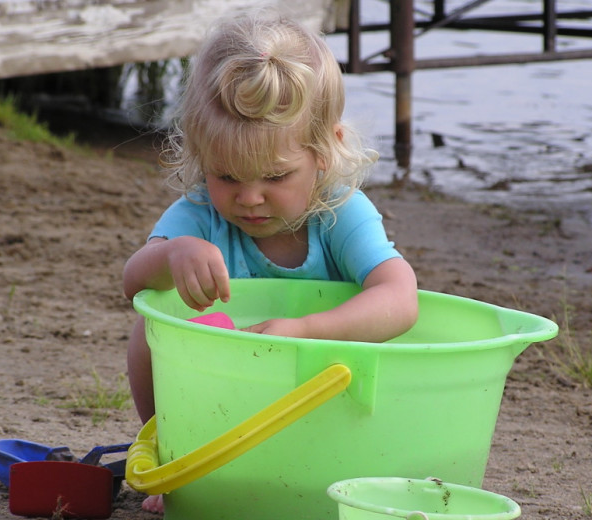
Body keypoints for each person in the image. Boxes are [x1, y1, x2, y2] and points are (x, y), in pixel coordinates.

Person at [122, 11, 419, 513]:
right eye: (227, 176)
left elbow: (401, 298)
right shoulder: (200, 212)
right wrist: (172, 254)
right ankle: (175, 458)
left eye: (276, 177)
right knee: (146, 331)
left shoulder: (339, 212)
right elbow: (133, 284)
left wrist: (304, 330)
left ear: (326, 152)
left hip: (323, 390)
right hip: (222, 403)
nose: (250, 198)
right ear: (200, 156)